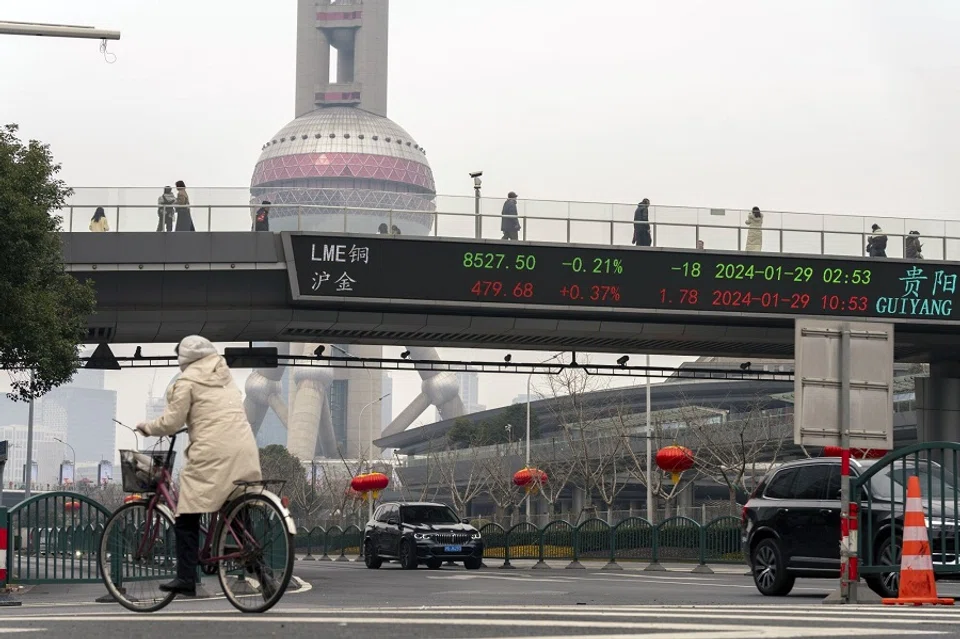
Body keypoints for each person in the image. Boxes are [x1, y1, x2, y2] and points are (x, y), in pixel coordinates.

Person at [135, 335, 262, 597]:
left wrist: (147, 427)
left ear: (185, 359)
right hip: (245, 448)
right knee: (235, 506)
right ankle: (265, 575)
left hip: (213, 452)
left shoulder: (187, 381)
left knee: (186, 514)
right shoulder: (226, 377)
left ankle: (185, 578)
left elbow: (171, 423)